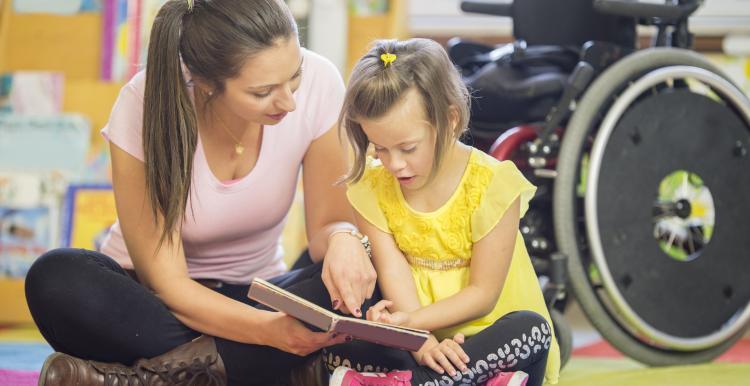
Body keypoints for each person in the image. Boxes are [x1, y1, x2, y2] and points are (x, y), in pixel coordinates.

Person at [23, 1, 376, 385]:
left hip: (260, 294)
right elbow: (169, 285)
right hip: (155, 304)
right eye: (262, 92)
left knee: (369, 277)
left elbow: (327, 225)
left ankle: (150, 377)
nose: (288, 101)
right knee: (56, 278)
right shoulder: (144, 102)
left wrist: (344, 237)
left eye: (294, 77)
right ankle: (256, 368)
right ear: (206, 83)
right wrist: (269, 334)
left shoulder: (322, 82)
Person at [324, 38, 561, 386]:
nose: (394, 164)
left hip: (486, 337)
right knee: (339, 345)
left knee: (533, 330)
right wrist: (419, 340)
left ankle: (415, 381)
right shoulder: (373, 187)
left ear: (450, 120)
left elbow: (483, 295)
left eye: (407, 148)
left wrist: (411, 324)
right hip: (420, 339)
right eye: (381, 149)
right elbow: (393, 269)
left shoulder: (493, 184)